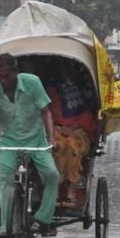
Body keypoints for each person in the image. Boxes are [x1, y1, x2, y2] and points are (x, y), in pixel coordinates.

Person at [0, 53, 60, 238]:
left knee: (52, 174)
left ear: (15, 72)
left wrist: (51, 138)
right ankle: (8, 227)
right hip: (9, 142)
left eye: (7, 76)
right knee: (5, 177)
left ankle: (43, 217)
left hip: (36, 140)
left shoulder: (32, 83)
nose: (3, 80)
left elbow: (46, 112)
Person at [45, 61, 96, 209]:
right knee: (56, 146)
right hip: (55, 130)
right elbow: (46, 113)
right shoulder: (50, 88)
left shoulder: (84, 89)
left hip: (80, 131)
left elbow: (89, 116)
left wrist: (74, 128)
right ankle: (52, 192)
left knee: (73, 146)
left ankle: (71, 193)